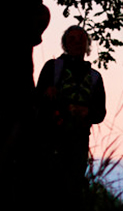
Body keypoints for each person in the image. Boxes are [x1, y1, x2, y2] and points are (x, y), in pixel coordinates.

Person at [34, 26, 107, 201]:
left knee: (72, 186)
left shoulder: (94, 77)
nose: (77, 42)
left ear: (87, 44)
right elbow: (37, 98)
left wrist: (87, 112)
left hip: (78, 140)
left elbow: (100, 113)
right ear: (65, 44)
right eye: (72, 39)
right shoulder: (52, 67)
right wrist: (47, 94)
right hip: (51, 137)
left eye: (81, 39)